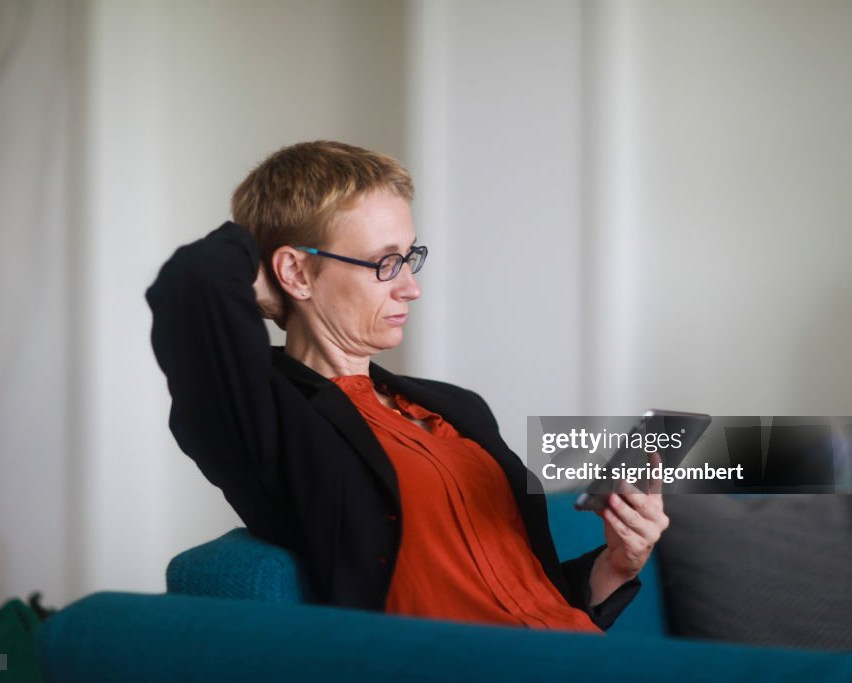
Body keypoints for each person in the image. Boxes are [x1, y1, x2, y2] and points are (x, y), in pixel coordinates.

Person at [146, 140, 669, 632]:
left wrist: (619, 563)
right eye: (384, 263)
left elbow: (526, 591)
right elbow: (192, 283)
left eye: (410, 257)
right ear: (296, 272)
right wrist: (260, 259)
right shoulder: (266, 417)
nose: (411, 287)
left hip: (571, 656)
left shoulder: (456, 407)